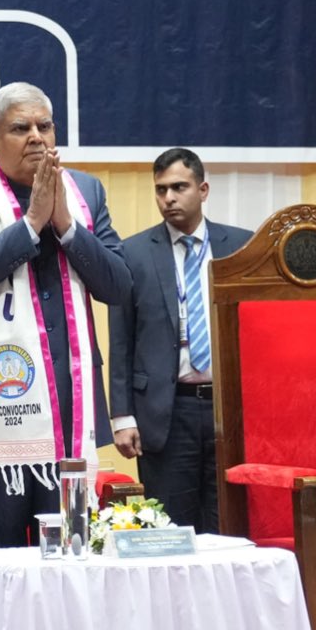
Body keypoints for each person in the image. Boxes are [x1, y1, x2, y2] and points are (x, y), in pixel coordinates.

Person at [0, 83, 132, 549]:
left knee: (73, 556)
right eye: (21, 128)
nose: (37, 138)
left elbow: (118, 285)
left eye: (46, 126)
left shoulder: (85, 191)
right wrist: (30, 225)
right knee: (0, 564)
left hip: (70, 409)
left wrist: (65, 225)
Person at [108, 149, 251, 532]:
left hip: (228, 410)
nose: (168, 198)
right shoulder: (132, 253)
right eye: (160, 190)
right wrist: (121, 417)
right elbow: (120, 339)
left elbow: (256, 334)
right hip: (165, 412)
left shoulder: (242, 247)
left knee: (227, 525)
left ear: (202, 190)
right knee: (169, 529)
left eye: (179, 187)